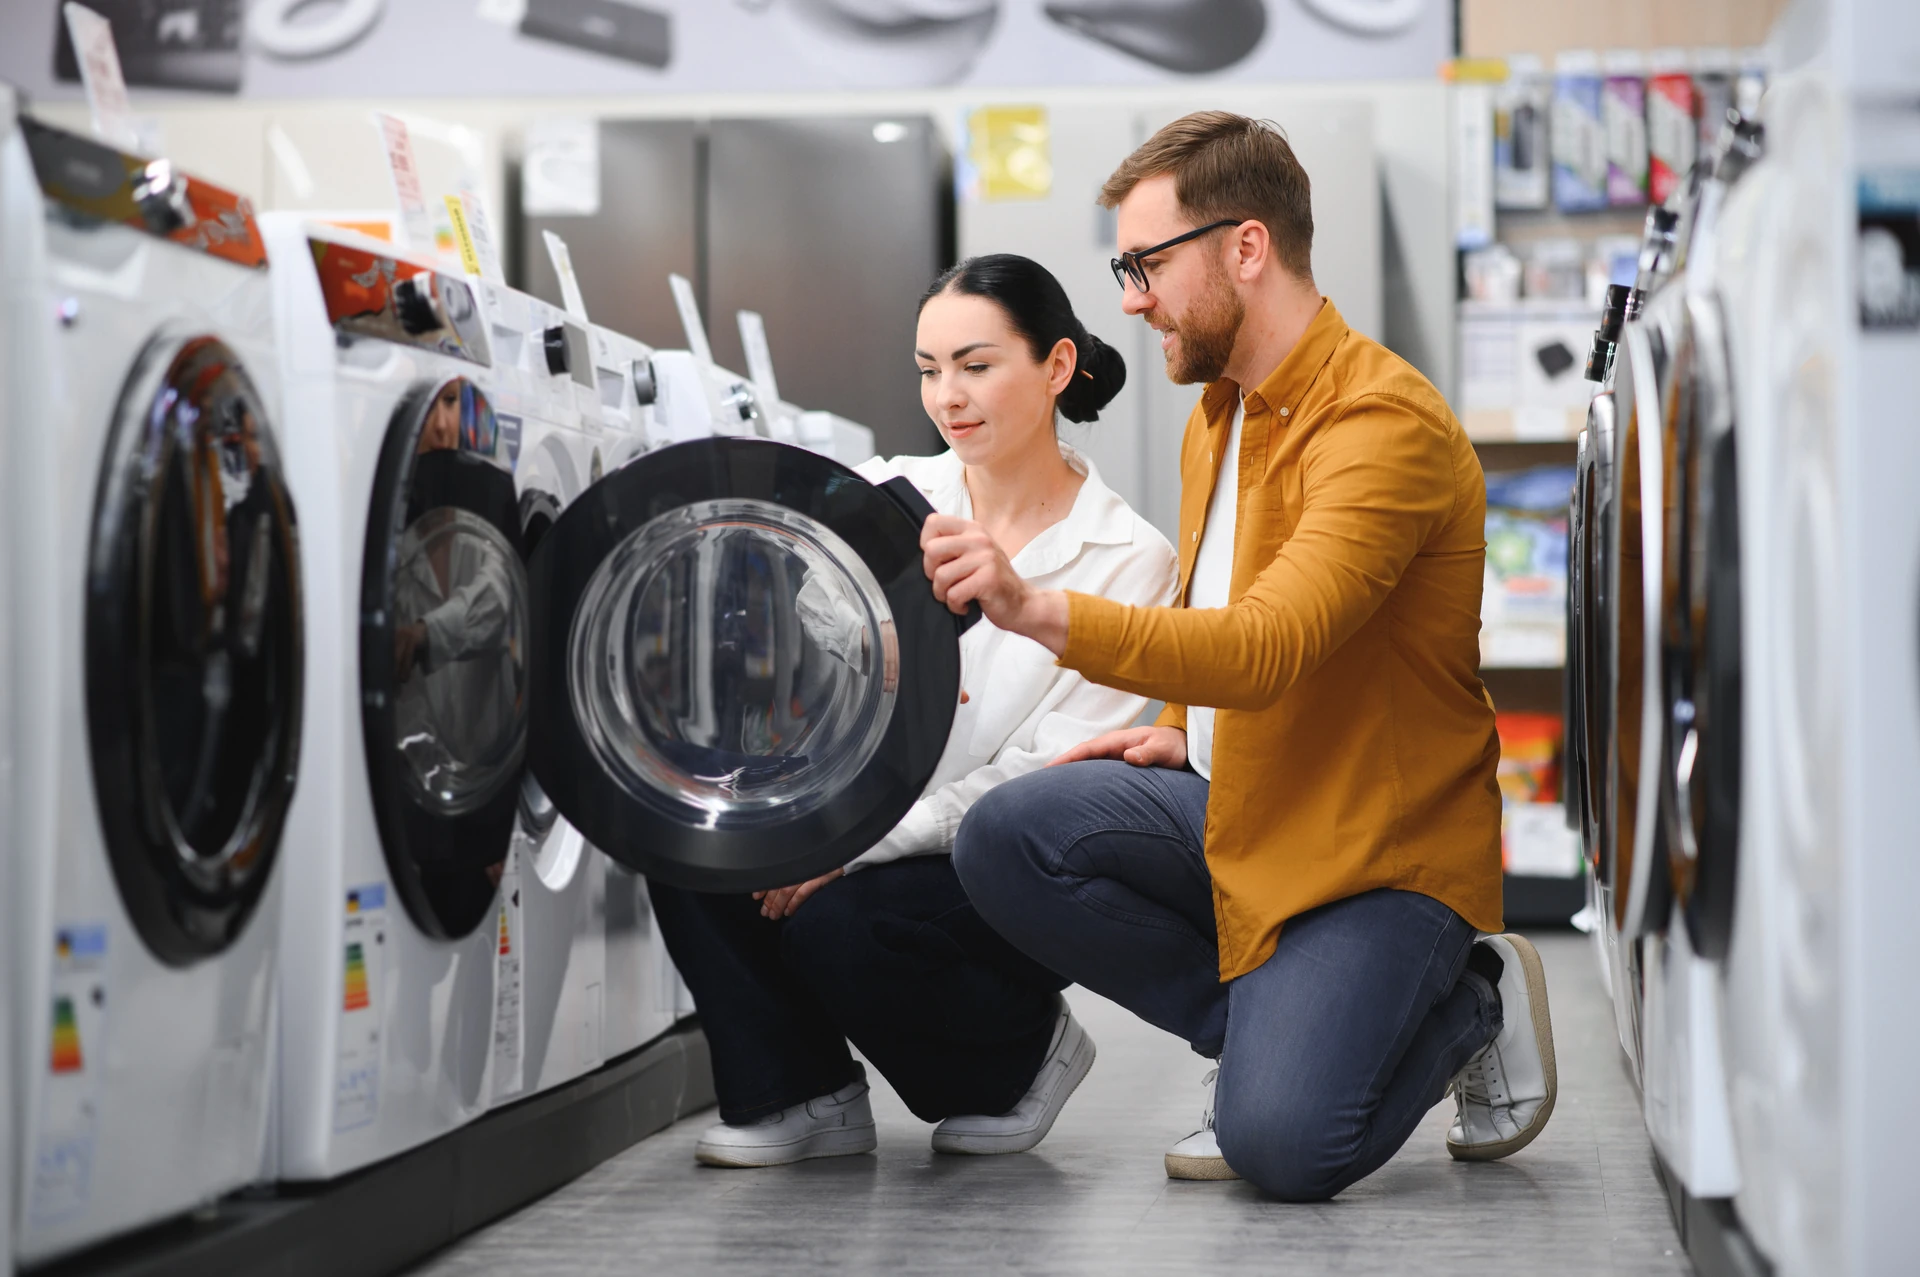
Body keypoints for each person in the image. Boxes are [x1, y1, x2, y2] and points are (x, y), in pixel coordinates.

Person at [928, 112, 1558, 1200]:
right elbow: (1209, 598)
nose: (1131, 298)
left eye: (1146, 264)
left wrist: (1035, 605)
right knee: (1006, 837)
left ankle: (1472, 990)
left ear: (1246, 247)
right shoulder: (1217, 415)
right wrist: (1172, 728)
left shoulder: (1383, 425)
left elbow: (1268, 645)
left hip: (1373, 856)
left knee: (1285, 1147)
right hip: (1240, 805)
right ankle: (1285, 1022)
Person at [647, 254, 1179, 1169]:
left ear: (1056, 367)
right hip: (862, 818)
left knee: (843, 922)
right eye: (929, 370)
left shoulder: (1129, 556)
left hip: (993, 862)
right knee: (689, 827)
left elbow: (1050, 774)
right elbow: (808, 680)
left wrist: (852, 846)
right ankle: (800, 1092)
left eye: (976, 366)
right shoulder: (887, 495)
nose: (948, 397)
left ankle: (1019, 1058)